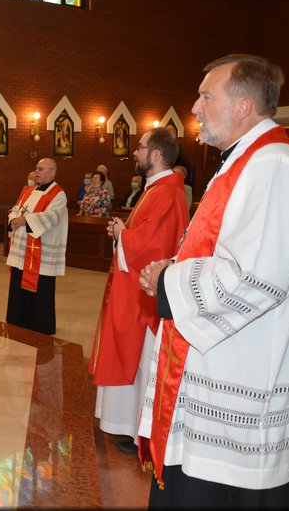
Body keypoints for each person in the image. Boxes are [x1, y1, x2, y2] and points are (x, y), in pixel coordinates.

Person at [137, 54, 289, 507]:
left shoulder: (276, 164)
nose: (195, 107)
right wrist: (175, 269)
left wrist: (170, 280)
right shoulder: (242, 164)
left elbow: (255, 277)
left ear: (243, 106)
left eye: (206, 96)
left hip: (242, 385)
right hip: (217, 366)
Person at [88, 127, 189, 456]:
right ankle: (126, 425)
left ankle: (138, 432)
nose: (135, 152)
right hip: (131, 290)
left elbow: (156, 246)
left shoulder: (167, 192)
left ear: (157, 154)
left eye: (141, 147)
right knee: (128, 354)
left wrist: (124, 234)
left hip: (144, 297)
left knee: (141, 361)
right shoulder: (156, 189)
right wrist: (122, 233)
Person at [5, 158, 68, 335]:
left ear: (52, 172)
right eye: (37, 168)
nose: (36, 172)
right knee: (18, 285)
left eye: (41, 169)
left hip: (41, 251)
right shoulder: (29, 190)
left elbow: (51, 217)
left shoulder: (58, 194)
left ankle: (40, 325)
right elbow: (16, 208)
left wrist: (25, 221)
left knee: (41, 291)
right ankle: (18, 320)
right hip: (22, 250)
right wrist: (13, 219)